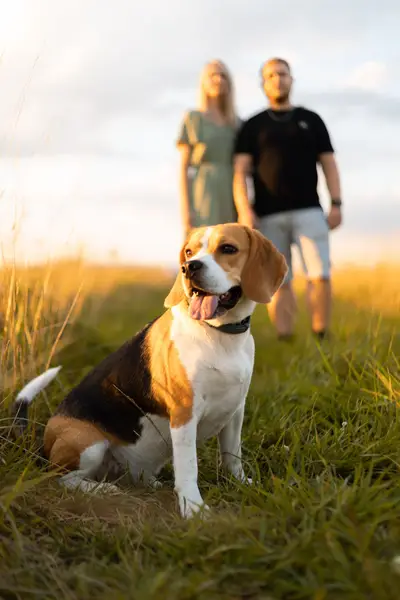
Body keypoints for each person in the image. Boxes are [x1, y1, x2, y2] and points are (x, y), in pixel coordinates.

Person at [233, 57, 343, 341]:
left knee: (320, 274)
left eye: (283, 74)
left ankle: (321, 334)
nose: (277, 79)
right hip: (268, 215)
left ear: (291, 79)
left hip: (309, 211)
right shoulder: (252, 126)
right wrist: (245, 210)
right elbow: (240, 172)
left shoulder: (311, 119)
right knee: (280, 279)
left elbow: (329, 163)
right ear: (263, 84)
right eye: (270, 75)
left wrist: (337, 203)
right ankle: (285, 337)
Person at [176, 59, 240, 238]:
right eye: (213, 75)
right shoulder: (194, 118)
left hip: (231, 191)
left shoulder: (236, 124)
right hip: (203, 191)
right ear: (203, 82)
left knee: (228, 244)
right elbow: (183, 168)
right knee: (202, 244)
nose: (219, 79)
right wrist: (186, 209)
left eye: (223, 76)